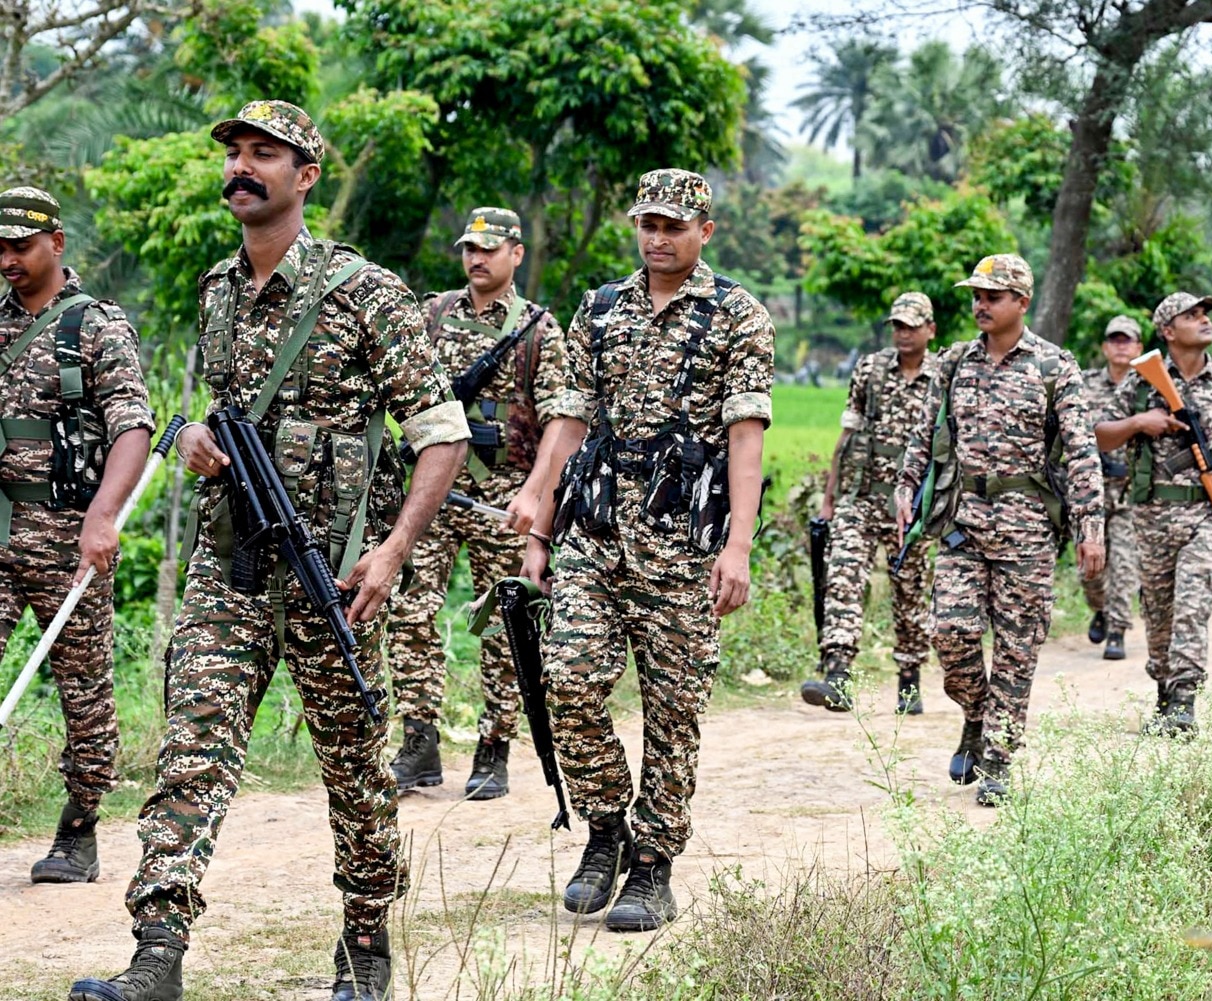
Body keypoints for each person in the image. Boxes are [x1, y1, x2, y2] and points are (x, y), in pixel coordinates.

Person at [70, 101, 469, 1001]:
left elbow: (441, 432)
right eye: (236, 156)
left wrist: (396, 549)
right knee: (192, 749)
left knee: (356, 767)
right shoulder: (217, 289)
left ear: (307, 176)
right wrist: (195, 441)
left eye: (265, 156)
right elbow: (220, 415)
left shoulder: (366, 294)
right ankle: (157, 955)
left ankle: (365, 948)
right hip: (230, 565)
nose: (242, 169)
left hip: (335, 574)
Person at [518, 169, 774, 933]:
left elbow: (746, 436)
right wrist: (536, 512)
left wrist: (738, 547)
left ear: (705, 231)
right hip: (594, 530)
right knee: (568, 678)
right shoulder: (599, 309)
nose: (658, 238)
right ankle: (605, 828)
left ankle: (654, 864)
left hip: (684, 539)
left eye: (673, 225)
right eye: (648, 224)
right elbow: (567, 415)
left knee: (673, 707)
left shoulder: (738, 317)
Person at [895, 253, 1105, 807]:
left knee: (1017, 649)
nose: (979, 304)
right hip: (964, 524)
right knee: (951, 633)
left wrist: (1091, 528)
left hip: (1030, 531)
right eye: (975, 296)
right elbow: (925, 435)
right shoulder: (954, 362)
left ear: (1022, 302)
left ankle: (997, 760)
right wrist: (904, 488)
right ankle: (976, 713)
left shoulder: (1055, 366)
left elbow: (1083, 455)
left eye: (991, 296)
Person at [0, 186, 154, 885]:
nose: (8, 259)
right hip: (0, 526)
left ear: (56, 243)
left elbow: (132, 426)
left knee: (83, 689)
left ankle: (80, 826)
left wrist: (102, 517)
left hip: (69, 537)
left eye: (21, 246)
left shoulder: (96, 326)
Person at [385, 207, 564, 798]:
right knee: (411, 610)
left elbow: (560, 425)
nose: (476, 258)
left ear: (517, 253)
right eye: (469, 248)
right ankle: (418, 743)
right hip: (434, 489)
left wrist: (537, 498)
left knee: (501, 625)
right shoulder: (431, 313)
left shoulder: (538, 330)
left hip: (502, 499)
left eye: (490, 249)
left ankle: (494, 747)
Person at [1094, 292, 1212, 735]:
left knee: (1192, 605)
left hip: (1206, 517)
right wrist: (1138, 423)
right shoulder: (1139, 382)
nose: (1204, 320)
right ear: (1168, 331)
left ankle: (1185, 699)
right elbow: (1098, 436)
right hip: (1150, 518)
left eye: (1205, 313)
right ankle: (1165, 695)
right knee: (1158, 613)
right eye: (1192, 315)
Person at [801, 291, 935, 714]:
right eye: (897, 325)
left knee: (910, 596)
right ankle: (838, 673)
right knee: (842, 579)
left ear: (930, 329)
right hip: (859, 500)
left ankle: (910, 680)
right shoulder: (870, 370)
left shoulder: (943, 377)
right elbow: (848, 435)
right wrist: (829, 499)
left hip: (912, 511)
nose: (903, 333)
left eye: (912, 326)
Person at [1078, 315, 1142, 660]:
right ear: (1105, 347)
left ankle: (1117, 630)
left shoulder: (1149, 387)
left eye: (1127, 340)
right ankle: (1100, 608)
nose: (1121, 346)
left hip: (1131, 491)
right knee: (1090, 570)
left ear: (1139, 347)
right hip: (1092, 491)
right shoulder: (1084, 384)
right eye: (1114, 340)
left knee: (1125, 564)